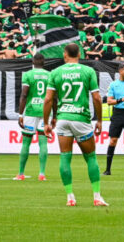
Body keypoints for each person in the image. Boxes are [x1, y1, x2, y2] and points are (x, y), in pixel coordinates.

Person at [43, 43, 108, 207]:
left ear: (65, 55)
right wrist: (99, 120)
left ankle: (70, 197)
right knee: (91, 157)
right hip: (81, 118)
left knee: (65, 157)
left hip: (63, 119)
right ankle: (97, 196)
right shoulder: (88, 71)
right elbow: (97, 98)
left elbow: (48, 99)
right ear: (79, 54)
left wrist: (46, 123)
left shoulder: (55, 72)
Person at [14, 51, 50, 181]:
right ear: (44, 63)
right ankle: (42, 173)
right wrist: (55, 114)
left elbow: (24, 95)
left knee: (26, 142)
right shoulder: (49, 75)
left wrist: (20, 114)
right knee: (43, 143)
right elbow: (54, 97)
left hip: (30, 111)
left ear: (33, 62)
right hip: (45, 112)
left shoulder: (28, 75)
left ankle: (21, 173)